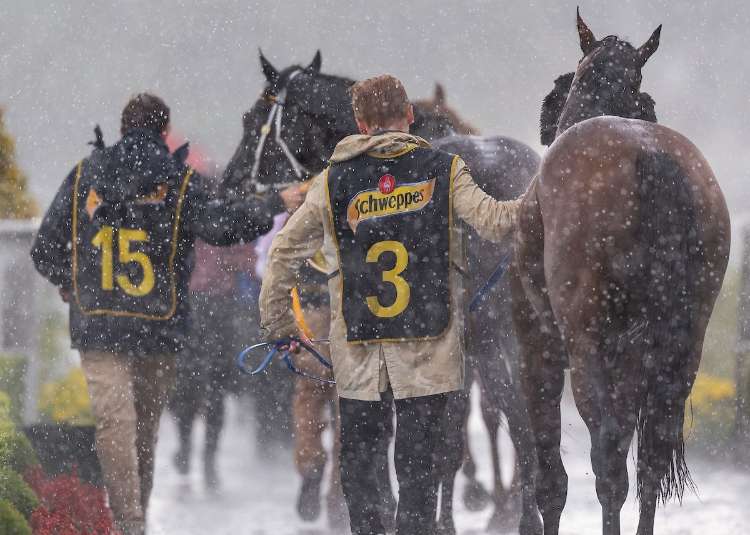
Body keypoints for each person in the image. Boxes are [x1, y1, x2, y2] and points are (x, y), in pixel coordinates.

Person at [30, 93, 305, 535]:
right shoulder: (179, 179)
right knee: (142, 429)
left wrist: (71, 281)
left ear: (122, 129)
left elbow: (44, 247)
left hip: (98, 323)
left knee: (115, 424)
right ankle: (134, 517)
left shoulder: (85, 174)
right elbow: (222, 226)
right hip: (159, 326)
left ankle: (129, 523)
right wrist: (275, 202)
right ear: (164, 132)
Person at [259, 75, 521, 535]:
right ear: (411, 116)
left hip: (359, 346)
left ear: (360, 123)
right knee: (418, 467)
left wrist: (280, 324)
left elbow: (283, 254)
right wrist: (539, 196)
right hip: (426, 344)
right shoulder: (444, 169)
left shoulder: (331, 181)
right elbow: (496, 222)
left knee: (362, 465)